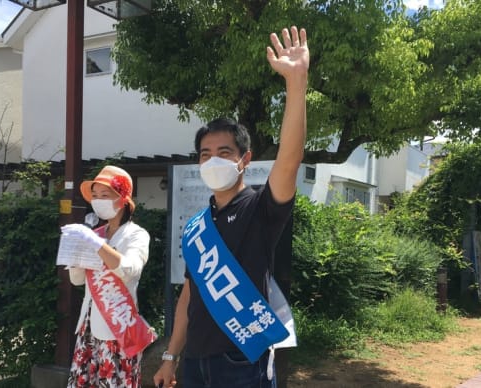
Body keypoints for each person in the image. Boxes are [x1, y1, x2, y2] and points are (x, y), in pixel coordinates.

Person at [153, 25, 309, 388]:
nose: (212, 161)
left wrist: (296, 83)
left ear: (245, 160)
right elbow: (189, 295)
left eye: (224, 153)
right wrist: (169, 358)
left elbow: (289, 160)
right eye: (205, 154)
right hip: (194, 361)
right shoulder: (198, 227)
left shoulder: (260, 208)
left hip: (242, 360)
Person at [61, 165, 154, 388]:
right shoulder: (94, 234)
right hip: (89, 326)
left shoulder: (136, 235)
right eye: (95, 196)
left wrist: (95, 244)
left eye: (105, 195)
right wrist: (74, 254)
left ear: (123, 200)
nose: (98, 200)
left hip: (119, 326)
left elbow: (130, 269)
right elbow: (77, 280)